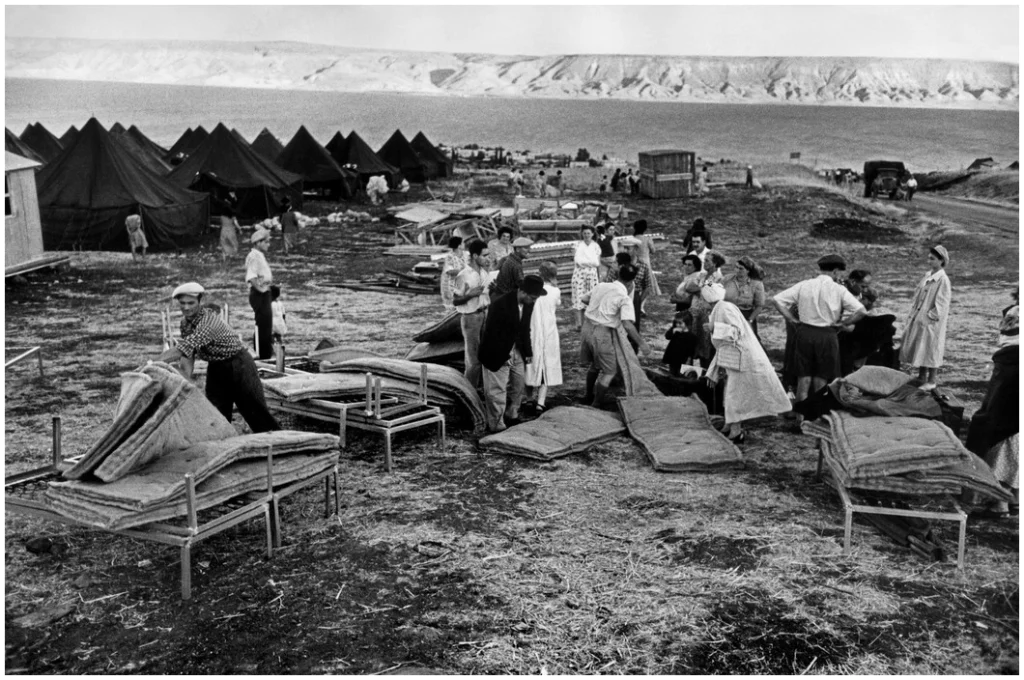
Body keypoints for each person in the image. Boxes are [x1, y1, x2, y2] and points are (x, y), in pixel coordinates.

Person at [158, 282, 279, 433]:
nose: (186, 307)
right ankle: (224, 447)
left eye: (191, 303)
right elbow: (187, 353)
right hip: (216, 367)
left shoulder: (209, 322)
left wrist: (153, 363)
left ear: (200, 302)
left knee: (256, 412)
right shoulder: (185, 324)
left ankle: (279, 445)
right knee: (216, 415)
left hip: (239, 364)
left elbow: (180, 349)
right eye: (182, 303)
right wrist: (186, 379)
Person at [772, 254, 867, 409]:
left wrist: (792, 319)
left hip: (804, 333)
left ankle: (800, 416)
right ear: (835, 271)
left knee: (804, 379)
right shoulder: (839, 289)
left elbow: (777, 300)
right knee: (821, 379)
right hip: (826, 335)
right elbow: (861, 311)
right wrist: (843, 323)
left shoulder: (804, 285)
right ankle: (816, 414)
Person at [704, 285, 791, 442]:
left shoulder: (724, 308)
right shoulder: (720, 307)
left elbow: (736, 331)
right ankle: (730, 425)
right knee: (730, 391)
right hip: (732, 355)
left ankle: (736, 430)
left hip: (742, 356)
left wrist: (713, 327)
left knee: (734, 393)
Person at [965, 287, 1019, 517]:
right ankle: (1011, 496)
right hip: (1010, 366)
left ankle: (1000, 500)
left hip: (1012, 370)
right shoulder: (1013, 312)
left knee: (1000, 429)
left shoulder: (1015, 312)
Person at [478, 274, 546, 433]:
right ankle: (497, 425)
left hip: (516, 349)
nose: (534, 301)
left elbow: (525, 328)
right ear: (522, 292)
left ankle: (512, 413)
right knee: (497, 391)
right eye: (533, 297)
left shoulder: (528, 304)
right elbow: (490, 334)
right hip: (496, 351)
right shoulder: (500, 304)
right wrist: (503, 355)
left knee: (518, 384)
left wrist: (527, 351)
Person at [580, 264, 650, 407]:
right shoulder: (623, 297)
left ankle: (588, 394)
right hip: (602, 332)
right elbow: (628, 324)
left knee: (595, 365)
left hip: (587, 328)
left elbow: (584, 299)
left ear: (618, 275)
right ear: (631, 283)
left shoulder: (601, 286)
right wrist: (642, 344)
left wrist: (600, 307)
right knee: (609, 371)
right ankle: (596, 404)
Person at [900, 245, 952, 390]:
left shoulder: (943, 280)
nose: (929, 261)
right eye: (928, 258)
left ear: (941, 261)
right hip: (920, 317)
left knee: (931, 347)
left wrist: (929, 317)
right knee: (921, 347)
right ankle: (921, 376)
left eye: (933, 259)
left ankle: (932, 380)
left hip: (931, 322)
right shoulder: (928, 275)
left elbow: (942, 304)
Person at [453, 239, 494, 390]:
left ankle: (482, 389)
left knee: (485, 354)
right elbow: (455, 300)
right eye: (484, 255)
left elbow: (486, 294)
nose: (487, 258)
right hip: (471, 318)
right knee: (473, 359)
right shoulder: (463, 275)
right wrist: (470, 295)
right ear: (475, 256)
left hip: (485, 314)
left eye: (488, 255)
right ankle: (469, 391)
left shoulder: (484, 273)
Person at [524, 262, 563, 415]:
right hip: (549, 331)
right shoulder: (555, 291)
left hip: (532, 329)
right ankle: (541, 402)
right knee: (547, 363)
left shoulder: (532, 291)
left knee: (530, 362)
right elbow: (557, 304)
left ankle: (528, 398)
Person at [685, 251, 728, 367]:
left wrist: (700, 289)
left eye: (707, 261)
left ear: (715, 263)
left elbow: (707, 292)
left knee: (706, 343)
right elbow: (689, 287)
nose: (704, 263)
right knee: (693, 341)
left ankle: (706, 369)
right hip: (695, 313)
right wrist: (701, 289)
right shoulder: (702, 275)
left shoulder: (718, 278)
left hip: (707, 314)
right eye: (704, 260)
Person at [246, 228, 275, 360]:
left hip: (264, 291)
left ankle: (265, 352)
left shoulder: (259, 255)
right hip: (260, 294)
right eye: (266, 242)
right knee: (263, 323)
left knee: (266, 324)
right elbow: (251, 276)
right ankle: (263, 354)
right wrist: (261, 289)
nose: (268, 245)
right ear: (258, 243)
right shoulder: (254, 256)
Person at [722, 256, 766, 338]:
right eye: (736, 267)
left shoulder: (757, 284)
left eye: (741, 269)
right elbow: (714, 284)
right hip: (728, 315)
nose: (737, 270)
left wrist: (750, 320)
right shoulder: (727, 279)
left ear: (748, 271)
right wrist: (706, 281)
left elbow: (759, 306)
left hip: (746, 316)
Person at [571, 225, 602, 331]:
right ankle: (578, 324)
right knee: (578, 298)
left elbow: (596, 263)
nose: (586, 235)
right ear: (582, 234)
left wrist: (585, 262)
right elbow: (577, 261)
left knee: (590, 298)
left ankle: (589, 324)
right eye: (584, 233)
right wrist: (589, 263)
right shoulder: (577, 245)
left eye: (589, 233)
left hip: (592, 276)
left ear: (592, 234)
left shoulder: (596, 246)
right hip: (579, 275)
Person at [633, 219, 661, 297]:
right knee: (648, 279)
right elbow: (653, 250)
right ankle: (649, 293)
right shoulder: (647, 239)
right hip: (645, 261)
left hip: (634, 261)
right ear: (645, 229)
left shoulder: (632, 238)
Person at [440, 236, 467, 311]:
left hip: (462, 285)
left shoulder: (465, 255)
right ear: (459, 246)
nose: (464, 244)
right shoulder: (450, 257)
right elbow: (450, 271)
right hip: (450, 286)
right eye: (463, 243)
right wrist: (466, 271)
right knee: (452, 307)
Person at [219, 195, 240, 260]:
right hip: (231, 232)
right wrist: (240, 229)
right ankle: (234, 257)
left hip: (223, 232)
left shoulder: (221, 217)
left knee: (224, 246)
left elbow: (221, 224)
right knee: (234, 245)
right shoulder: (232, 216)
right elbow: (236, 224)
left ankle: (224, 259)